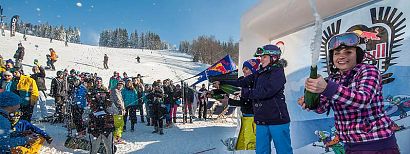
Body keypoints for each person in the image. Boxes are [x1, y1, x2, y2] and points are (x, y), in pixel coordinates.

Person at [297, 32, 399, 153]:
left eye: (348, 52)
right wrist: (311, 102)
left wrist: (327, 88)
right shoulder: (332, 79)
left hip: (376, 144)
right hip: (349, 145)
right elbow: (323, 108)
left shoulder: (368, 71)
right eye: (337, 53)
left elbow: (363, 100)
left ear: (358, 55)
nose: (341, 56)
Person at [214, 44, 292, 154]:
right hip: (261, 119)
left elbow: (267, 91)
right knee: (261, 151)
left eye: (264, 57)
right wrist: (222, 82)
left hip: (277, 120)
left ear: (273, 57)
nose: (261, 59)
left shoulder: (277, 72)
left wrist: (245, 92)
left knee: (283, 151)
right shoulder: (259, 73)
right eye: (261, 57)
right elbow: (241, 82)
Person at [219, 59, 260, 150]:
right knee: (242, 142)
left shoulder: (256, 83)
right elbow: (233, 86)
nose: (243, 70)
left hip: (252, 118)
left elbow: (247, 103)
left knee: (250, 143)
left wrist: (229, 101)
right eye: (243, 68)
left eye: (246, 69)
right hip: (244, 117)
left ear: (253, 70)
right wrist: (218, 88)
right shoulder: (243, 81)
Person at [87, 77, 114, 154]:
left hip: (107, 127)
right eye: (98, 93)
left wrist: (108, 108)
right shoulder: (92, 102)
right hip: (95, 128)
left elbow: (115, 111)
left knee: (109, 148)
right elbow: (86, 114)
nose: (100, 95)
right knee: (94, 148)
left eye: (102, 93)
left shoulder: (108, 102)